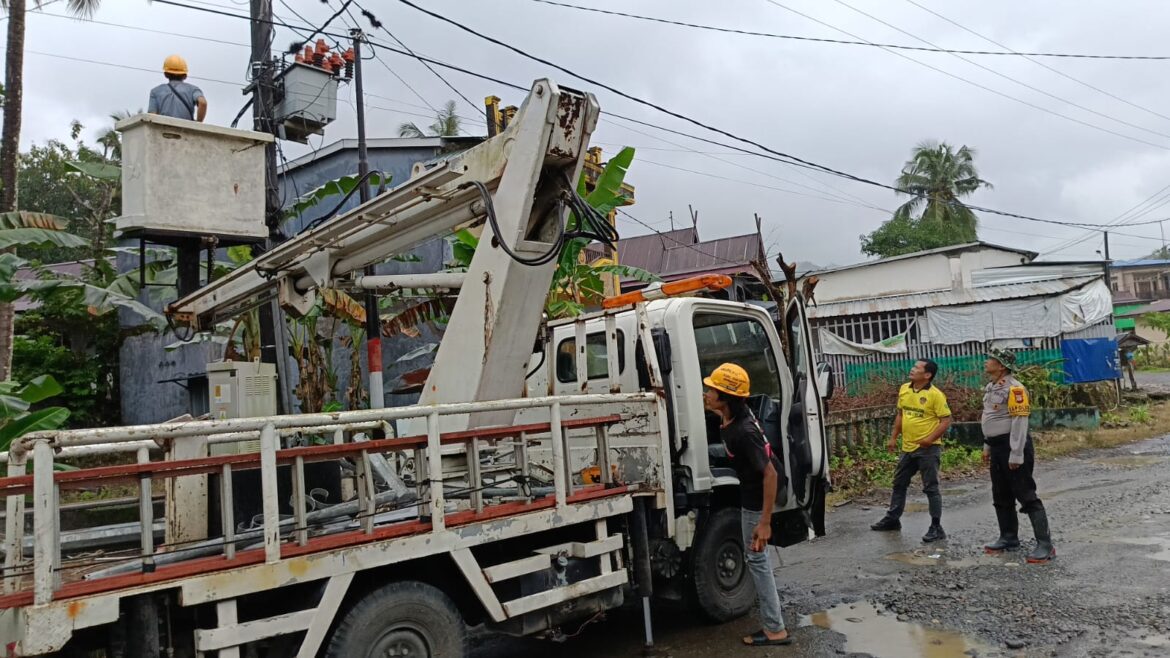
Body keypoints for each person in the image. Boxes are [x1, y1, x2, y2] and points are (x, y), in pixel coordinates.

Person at [702, 363, 791, 648]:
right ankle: (774, 623)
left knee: (757, 560)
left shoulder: (743, 430)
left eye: (711, 391)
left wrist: (764, 523)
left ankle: (775, 629)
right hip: (751, 494)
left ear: (725, 398)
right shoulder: (731, 416)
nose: (706, 394)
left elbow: (771, 474)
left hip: (758, 498)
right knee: (758, 559)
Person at [981, 348, 1056, 563]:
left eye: (991, 360)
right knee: (1001, 494)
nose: (986, 362)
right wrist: (987, 445)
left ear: (1001, 366)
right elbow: (989, 417)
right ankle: (1008, 537)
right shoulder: (992, 387)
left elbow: (1019, 422)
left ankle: (1045, 544)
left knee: (1026, 494)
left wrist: (1016, 453)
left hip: (1012, 446)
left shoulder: (1015, 389)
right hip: (996, 446)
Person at [870, 359, 952, 542]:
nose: (912, 370)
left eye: (917, 368)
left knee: (931, 487)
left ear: (927, 375)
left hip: (928, 449)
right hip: (908, 447)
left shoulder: (935, 395)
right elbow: (901, 414)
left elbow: (946, 420)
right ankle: (892, 518)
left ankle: (936, 527)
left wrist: (929, 439)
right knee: (899, 483)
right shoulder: (905, 389)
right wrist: (893, 437)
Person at [148, 55, 207, 122]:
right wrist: (198, 123)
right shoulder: (193, 89)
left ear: (165, 74)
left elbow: (151, 117)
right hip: (186, 129)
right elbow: (203, 102)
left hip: (163, 129)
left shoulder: (155, 91)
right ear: (185, 76)